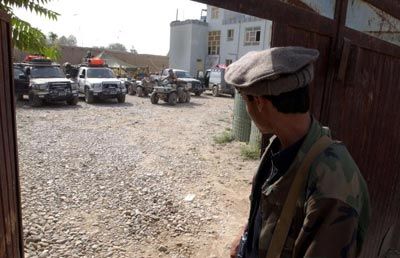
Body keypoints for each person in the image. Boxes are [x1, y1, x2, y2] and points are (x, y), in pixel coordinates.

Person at [225, 47, 371, 258]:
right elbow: (267, 212)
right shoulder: (281, 145)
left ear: (259, 102)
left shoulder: (333, 181)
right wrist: (246, 236)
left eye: (245, 100)